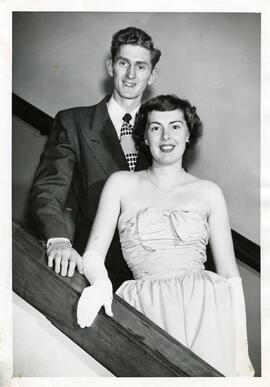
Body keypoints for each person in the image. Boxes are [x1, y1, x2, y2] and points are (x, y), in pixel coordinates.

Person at [76, 94, 254, 376]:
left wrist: (241, 352)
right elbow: (93, 253)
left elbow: (230, 277)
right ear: (144, 137)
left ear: (188, 135)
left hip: (206, 311)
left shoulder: (210, 192)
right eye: (155, 127)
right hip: (143, 308)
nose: (165, 136)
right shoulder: (121, 184)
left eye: (175, 126)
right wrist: (99, 283)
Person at [29, 27, 161, 290]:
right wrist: (58, 240)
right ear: (111, 66)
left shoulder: (163, 133)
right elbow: (48, 191)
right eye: (124, 63)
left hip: (149, 278)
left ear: (152, 75)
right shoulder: (73, 121)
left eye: (141, 66)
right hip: (90, 268)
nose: (131, 75)